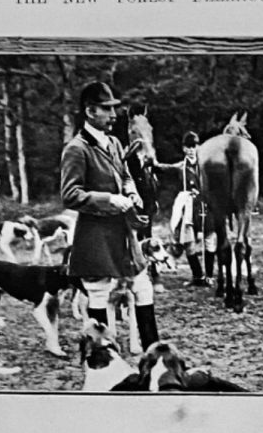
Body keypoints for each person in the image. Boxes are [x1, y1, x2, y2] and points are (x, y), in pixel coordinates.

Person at [61, 80, 159, 350]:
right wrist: (109, 199)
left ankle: (153, 353)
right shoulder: (76, 148)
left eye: (114, 108)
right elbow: (70, 195)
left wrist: (131, 190)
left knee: (143, 287)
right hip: (96, 234)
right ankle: (100, 355)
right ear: (90, 111)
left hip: (123, 233)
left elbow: (124, 175)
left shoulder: (114, 143)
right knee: (98, 293)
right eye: (107, 109)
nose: (114, 115)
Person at [157, 130, 210, 285]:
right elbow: (164, 168)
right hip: (187, 206)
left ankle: (210, 276)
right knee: (188, 240)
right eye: (188, 147)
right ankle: (197, 276)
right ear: (184, 149)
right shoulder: (181, 166)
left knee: (209, 239)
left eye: (194, 146)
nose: (191, 150)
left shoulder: (206, 166)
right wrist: (151, 163)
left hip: (204, 205)